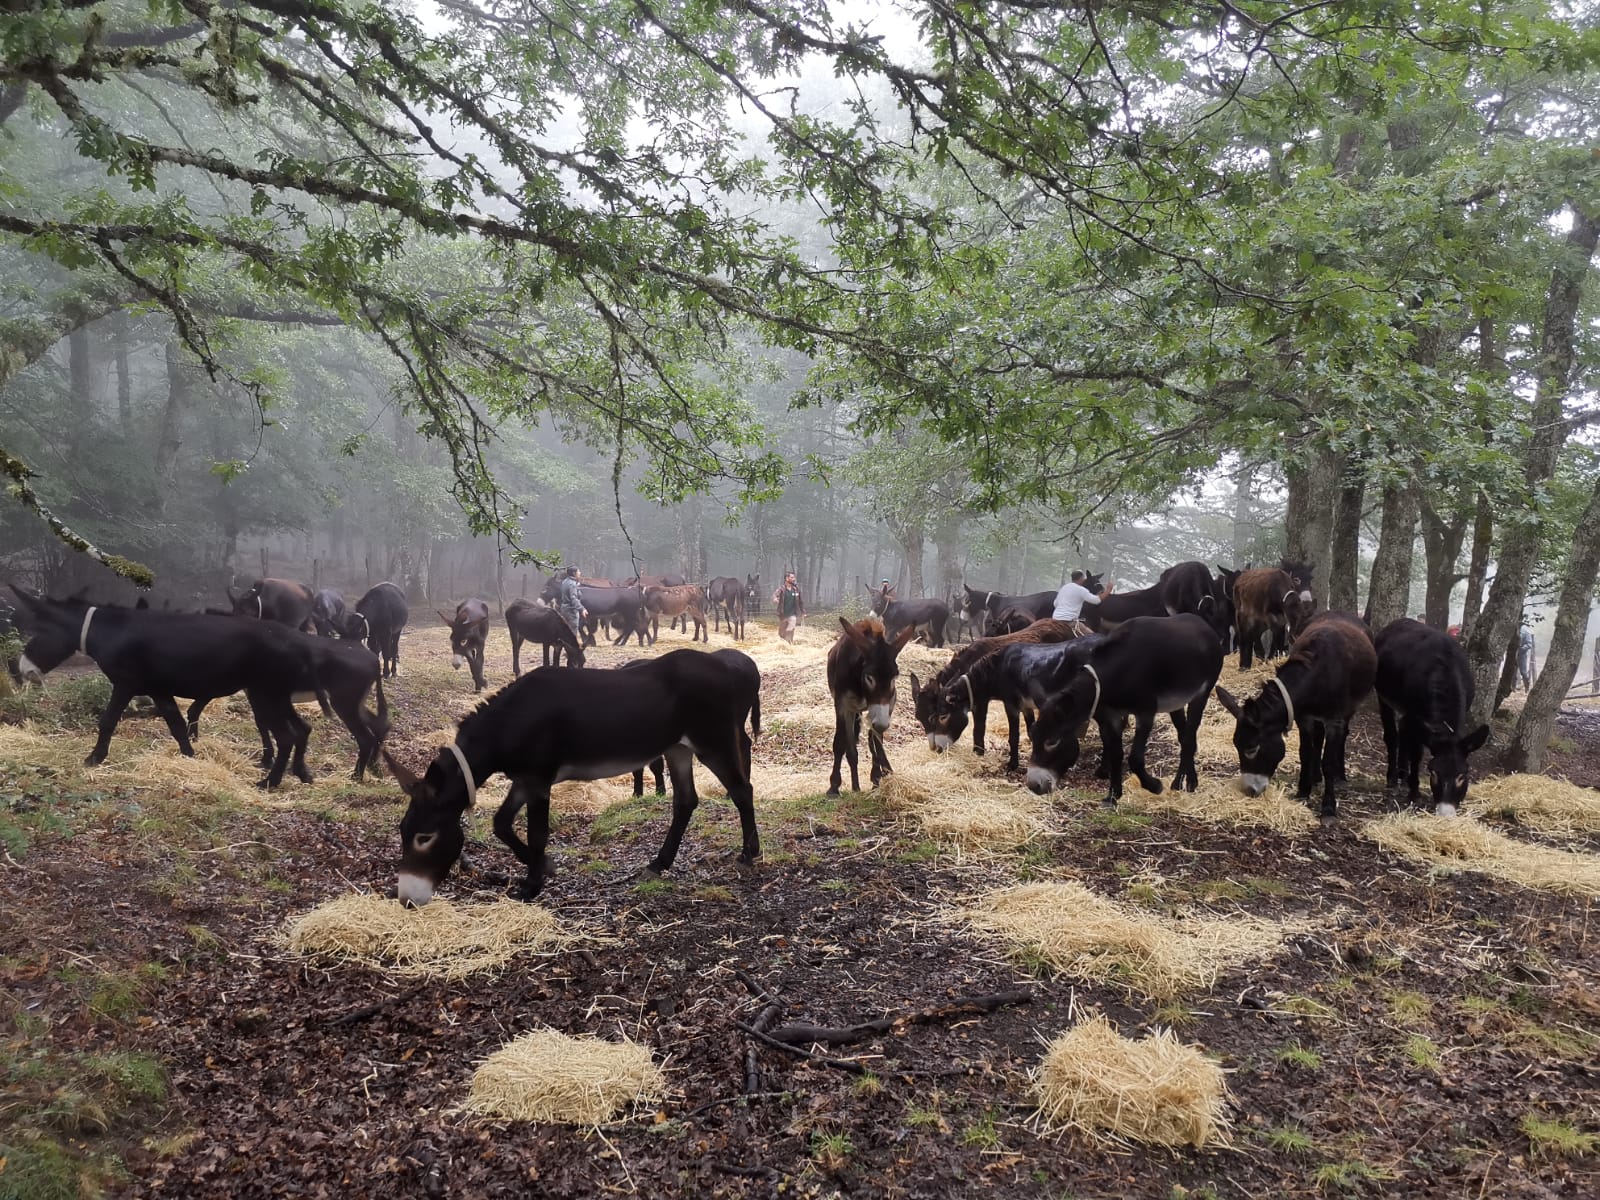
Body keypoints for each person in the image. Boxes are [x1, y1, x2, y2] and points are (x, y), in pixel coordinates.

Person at [1052, 570, 1113, 636]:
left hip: (1055, 621)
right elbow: (1096, 600)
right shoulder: (1080, 589)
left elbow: (1055, 604)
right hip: (1069, 622)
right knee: (1093, 637)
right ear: (1081, 578)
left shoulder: (1064, 588)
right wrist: (1108, 590)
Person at [773, 571, 805, 643]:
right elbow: (775, 595)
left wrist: (803, 612)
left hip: (793, 614)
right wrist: (775, 599)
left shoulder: (796, 589)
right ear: (787, 578)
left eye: (794, 577)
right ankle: (783, 643)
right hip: (783, 614)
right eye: (792, 577)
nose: (794, 579)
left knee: (790, 629)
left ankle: (789, 645)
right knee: (781, 633)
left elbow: (801, 601)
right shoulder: (781, 589)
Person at [557, 566, 587, 641]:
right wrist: (582, 609)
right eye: (578, 571)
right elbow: (574, 598)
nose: (580, 573)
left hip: (564, 609)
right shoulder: (572, 584)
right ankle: (571, 651)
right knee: (573, 632)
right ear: (574, 573)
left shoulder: (565, 581)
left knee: (565, 631)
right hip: (571, 611)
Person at [1518, 625, 1536, 691]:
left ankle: (1526, 686)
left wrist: (1521, 649)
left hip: (1522, 654)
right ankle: (1512, 687)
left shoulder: (1525, 631)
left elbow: (1529, 644)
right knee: (1512, 671)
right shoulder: (1511, 628)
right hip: (1512, 654)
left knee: (1523, 672)